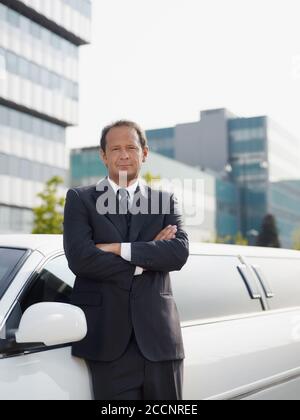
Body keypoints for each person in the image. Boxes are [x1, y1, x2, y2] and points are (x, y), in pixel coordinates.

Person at [63, 120, 189, 400]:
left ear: (144, 153)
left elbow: (178, 253)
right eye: (115, 148)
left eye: (131, 147)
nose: (123, 155)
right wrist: (151, 253)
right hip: (107, 344)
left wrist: (117, 248)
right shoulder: (80, 199)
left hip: (161, 343)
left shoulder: (165, 200)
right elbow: (81, 260)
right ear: (103, 155)